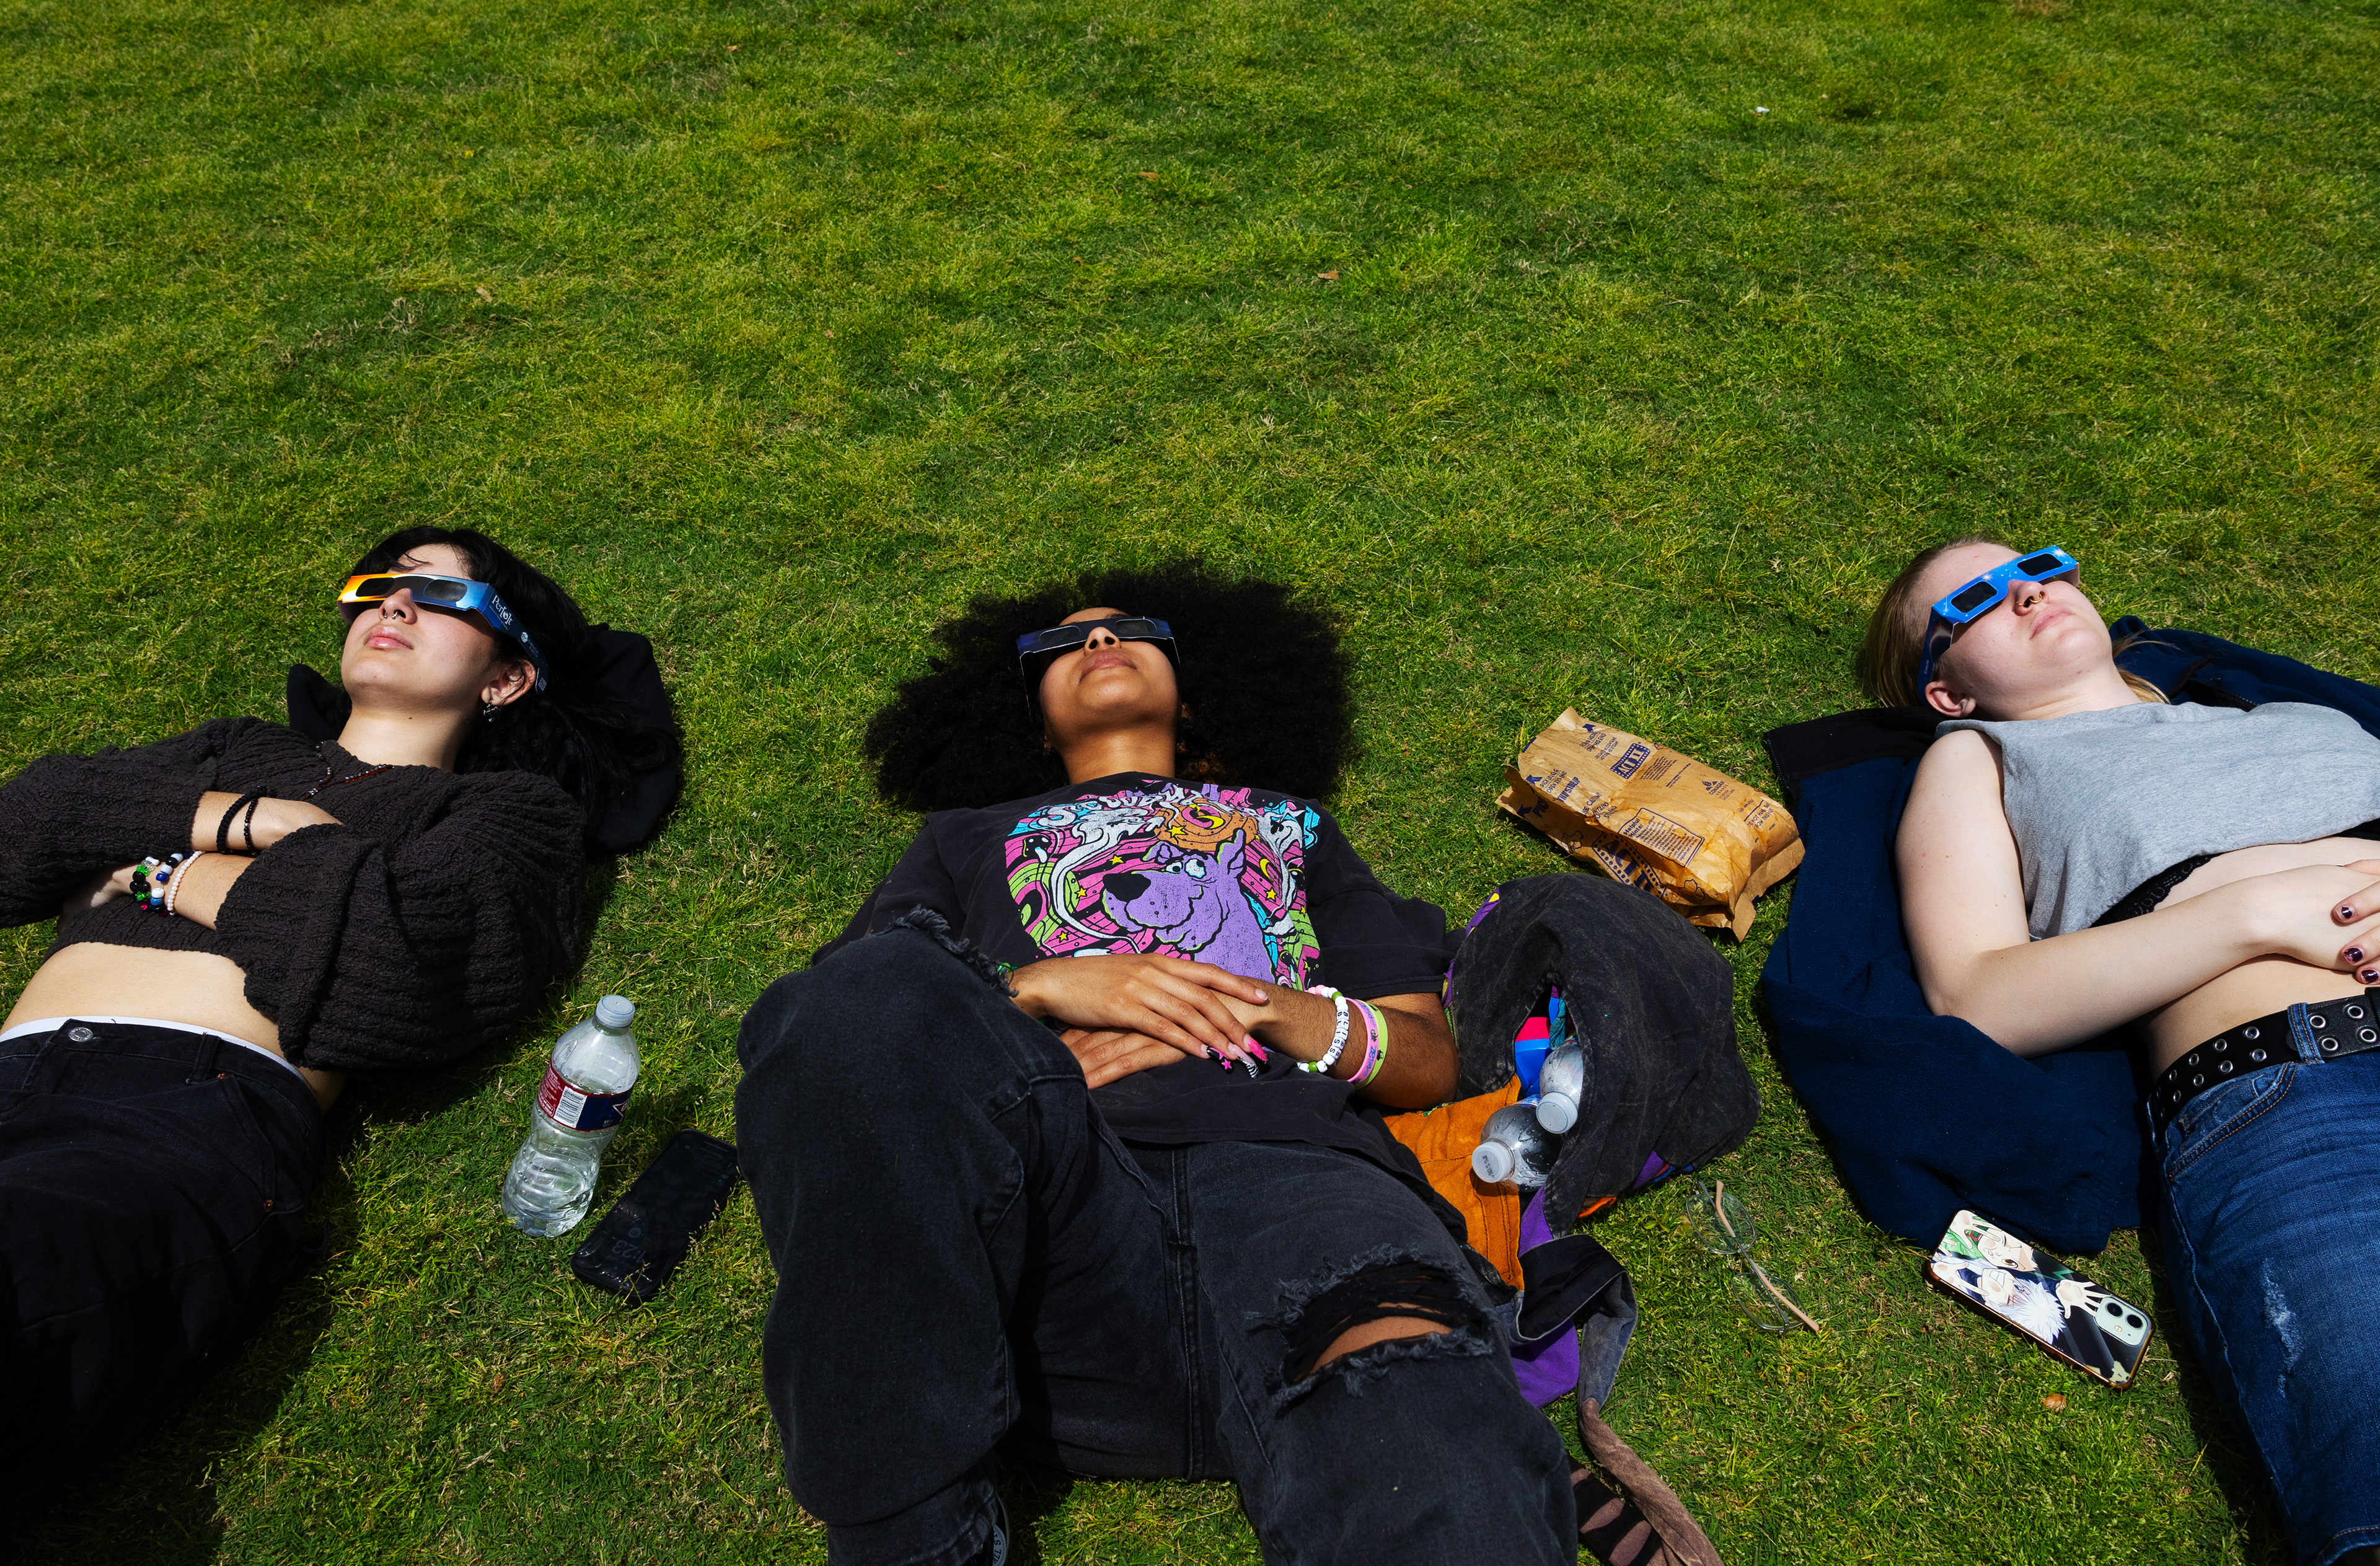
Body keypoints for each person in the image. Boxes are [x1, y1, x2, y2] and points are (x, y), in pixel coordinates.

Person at [735, 563, 1742, 1566]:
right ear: (1036, 726)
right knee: (858, 1000)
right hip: (1042, 1230)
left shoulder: (1289, 825)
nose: (1097, 642)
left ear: (1190, 691)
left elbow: (1426, 1059)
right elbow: (848, 1033)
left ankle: (1440, 1423)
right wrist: (1042, 991)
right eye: (1063, 644)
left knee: (1429, 1439)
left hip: (1304, 1200)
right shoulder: (962, 839)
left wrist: (1254, 999)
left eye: (1131, 630)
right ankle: (922, 1545)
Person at [0, 526, 679, 1501]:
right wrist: (263, 825)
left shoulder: (505, 817)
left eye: (444, 599)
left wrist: (156, 864)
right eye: (379, 588)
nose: (392, 606)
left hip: (178, 1118)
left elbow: (389, 972)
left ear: (506, 681)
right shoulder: (244, 752)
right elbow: (33, 817)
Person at [1862, 537, 2380, 1566]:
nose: (2026, 595)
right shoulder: (1984, 759)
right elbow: (1978, 996)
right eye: (1973, 602)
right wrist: (2257, 914)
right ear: (1947, 692)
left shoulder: (2298, 719)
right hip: (2307, 1090)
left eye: (2038, 568)